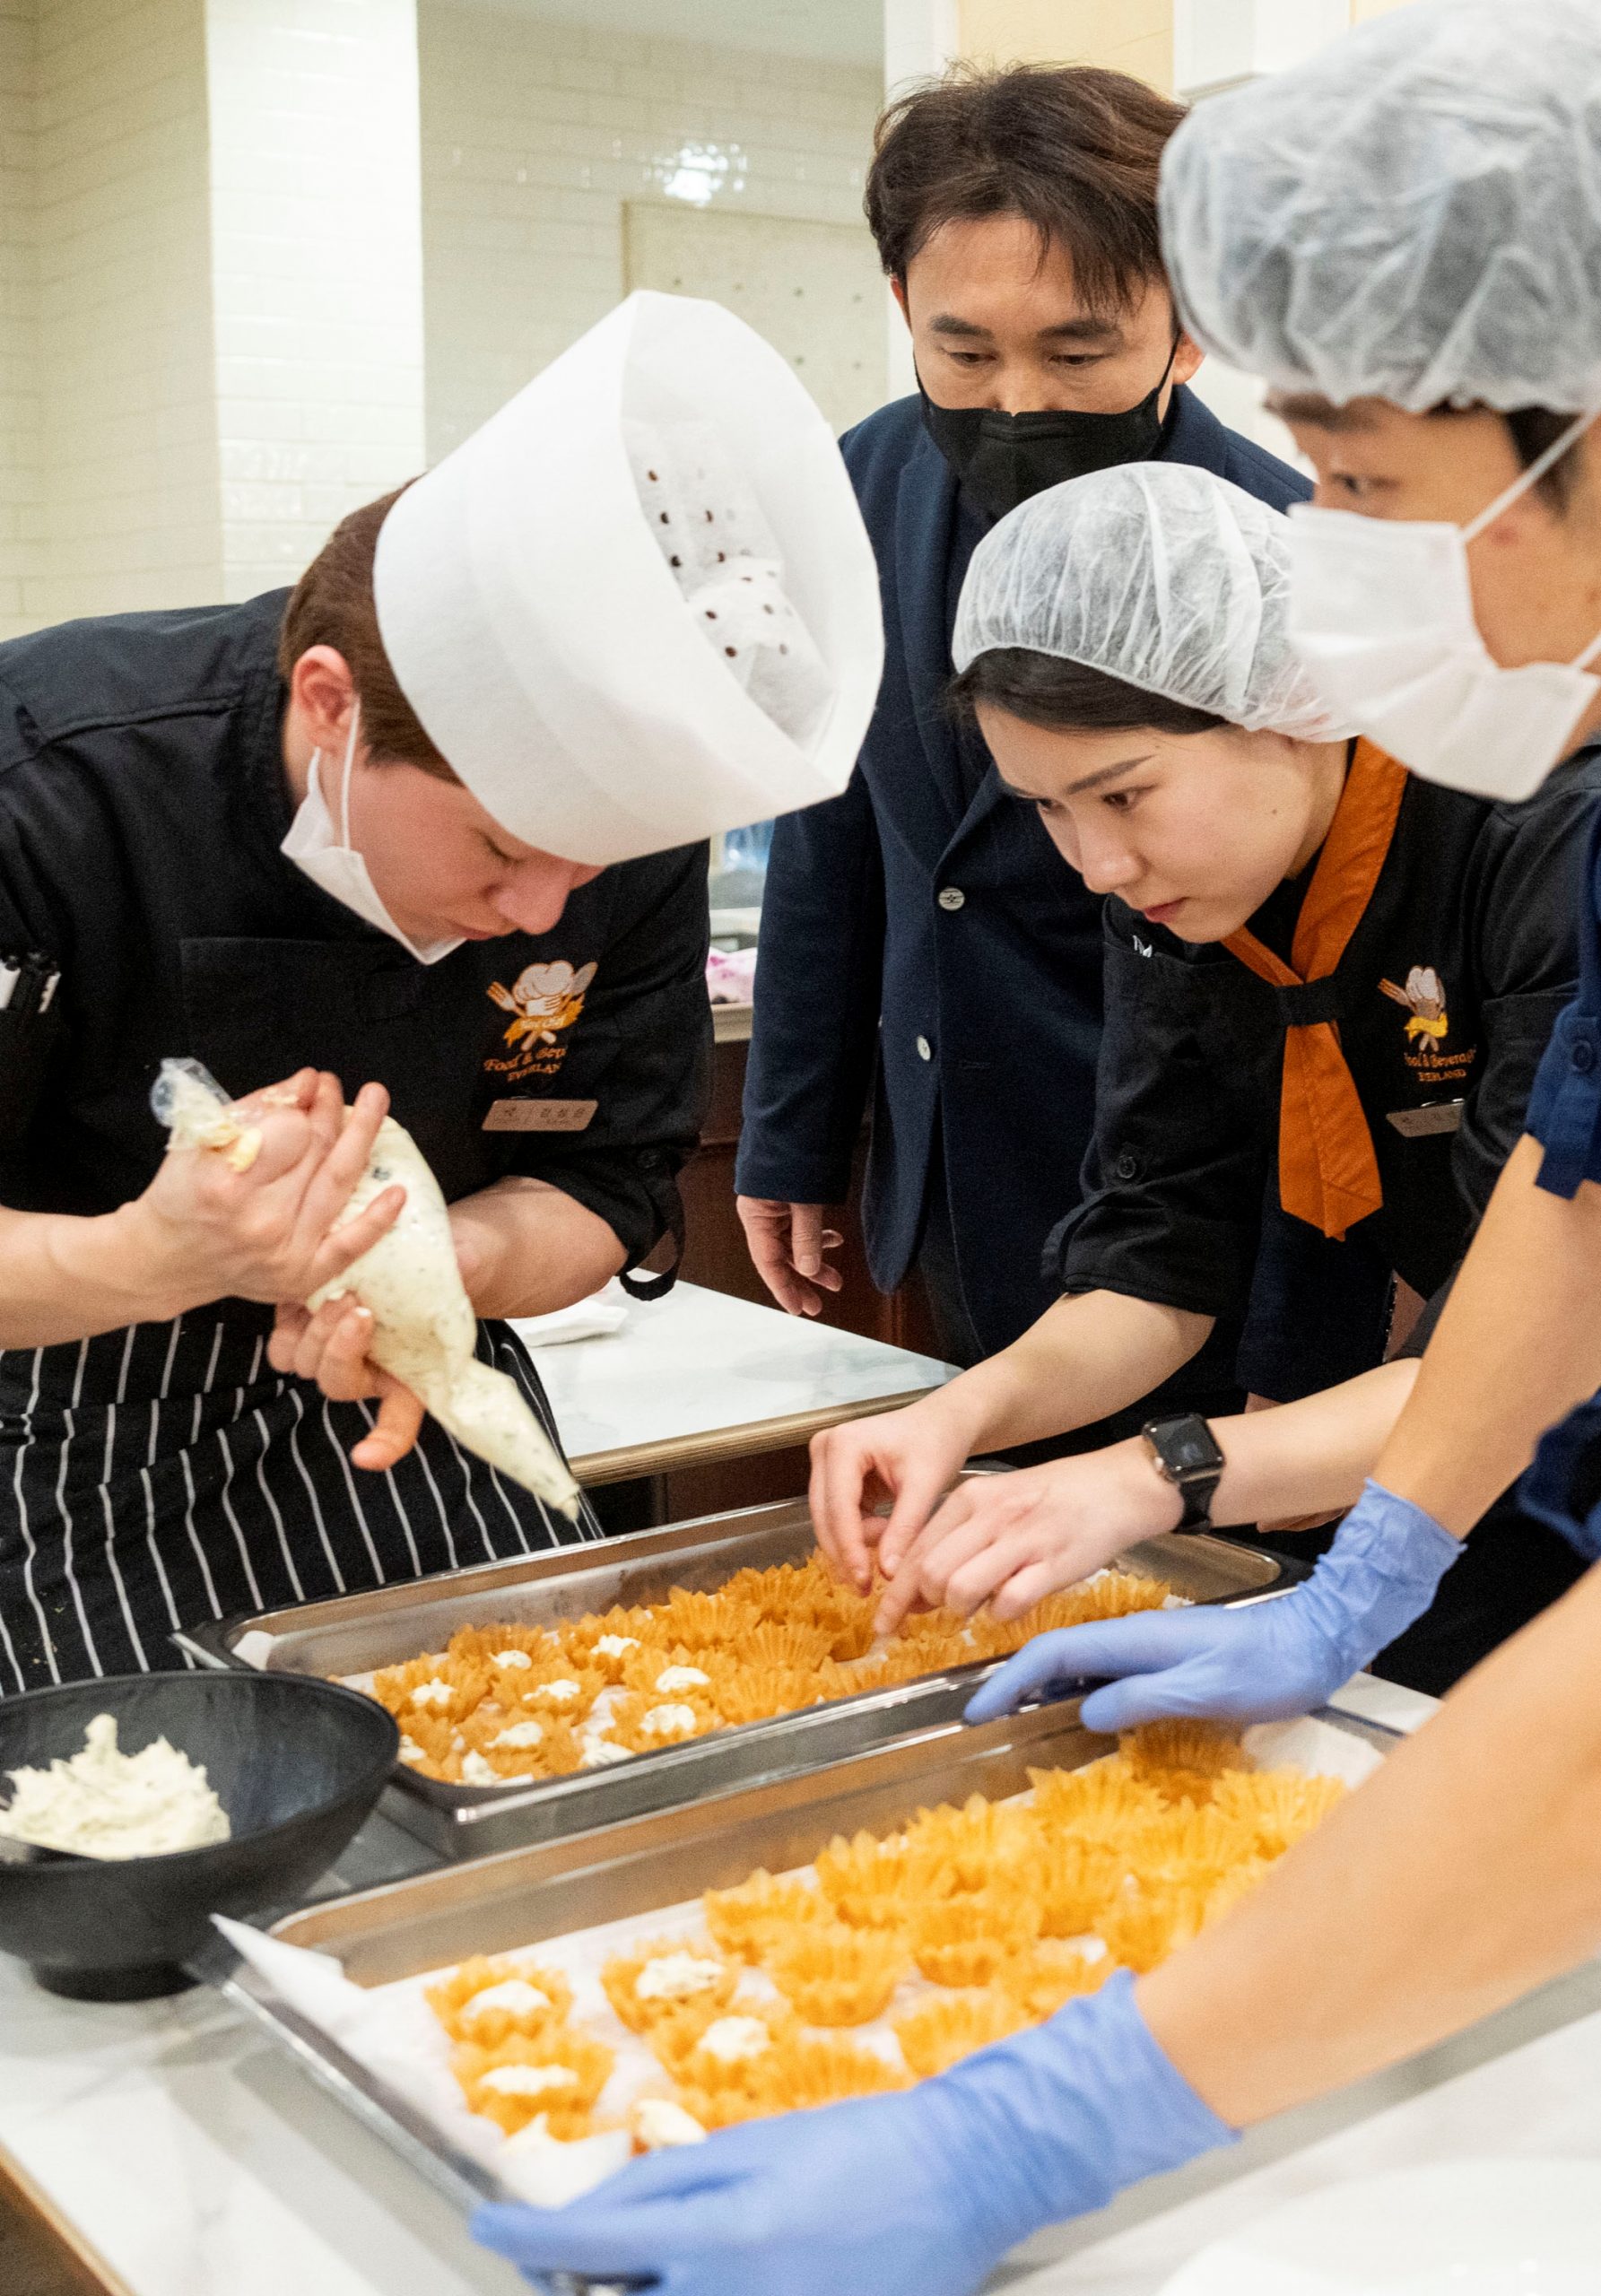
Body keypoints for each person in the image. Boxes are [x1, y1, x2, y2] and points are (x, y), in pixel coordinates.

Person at [469, 7, 1601, 2292]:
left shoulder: (1527, 833)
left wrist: (1052, 2115)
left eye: (1367, 491)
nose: (1335, 572)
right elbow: (1562, 1240)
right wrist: (1358, 1557)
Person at [0, 290, 881, 1693]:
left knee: (559, 1735)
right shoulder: (53, 781)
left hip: (426, 1397)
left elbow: (600, 1189)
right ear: (332, 702)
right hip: (59, 1421)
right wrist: (160, 1257)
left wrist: (433, 1275)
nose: (544, 910)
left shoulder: (613, 831)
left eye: (587, 868)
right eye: (499, 846)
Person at [808, 457, 1596, 1695]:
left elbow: (1540, 1326)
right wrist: (969, 1414)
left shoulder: (1541, 833)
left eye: (1121, 794)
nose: (1093, 863)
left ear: (1291, 700)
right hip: (1436, 1477)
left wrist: (1153, 1474)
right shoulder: (1179, 897)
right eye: (1045, 811)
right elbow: (1159, 1256)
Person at [735, 63, 1318, 1409]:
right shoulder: (851, 495)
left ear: (1188, 325)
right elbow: (833, 826)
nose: (1013, 401)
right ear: (901, 311)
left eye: (1075, 352)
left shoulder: (1286, 550)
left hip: (1203, 1183)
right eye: (962, 350)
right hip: (951, 1147)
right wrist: (790, 1135)